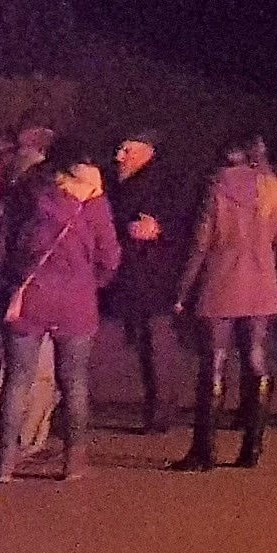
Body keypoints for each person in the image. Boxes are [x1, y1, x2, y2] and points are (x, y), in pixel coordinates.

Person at [0, 153, 119, 481]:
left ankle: (4, 461)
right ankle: (73, 461)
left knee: (17, 380)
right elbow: (110, 256)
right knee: (74, 382)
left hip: (31, 296)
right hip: (76, 300)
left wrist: (11, 279)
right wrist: (92, 281)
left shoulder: (33, 196)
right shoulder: (94, 204)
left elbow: (5, 242)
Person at [171, 135, 277, 471]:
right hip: (263, 281)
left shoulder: (216, 187)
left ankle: (204, 451)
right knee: (256, 360)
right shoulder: (274, 188)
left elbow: (200, 243)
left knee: (214, 361)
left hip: (220, 280)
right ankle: (251, 448)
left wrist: (182, 290)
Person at [0, 118, 57, 472]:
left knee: (1, 369)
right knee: (25, 371)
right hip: (24, 289)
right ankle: (15, 444)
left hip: (0, 285)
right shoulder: (30, 199)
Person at [104, 131, 188, 433]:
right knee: (145, 345)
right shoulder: (117, 184)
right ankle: (157, 406)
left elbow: (188, 224)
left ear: (146, 152)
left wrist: (160, 229)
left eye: (127, 150)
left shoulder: (167, 184)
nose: (119, 157)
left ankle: (162, 410)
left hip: (156, 278)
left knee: (157, 344)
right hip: (132, 275)